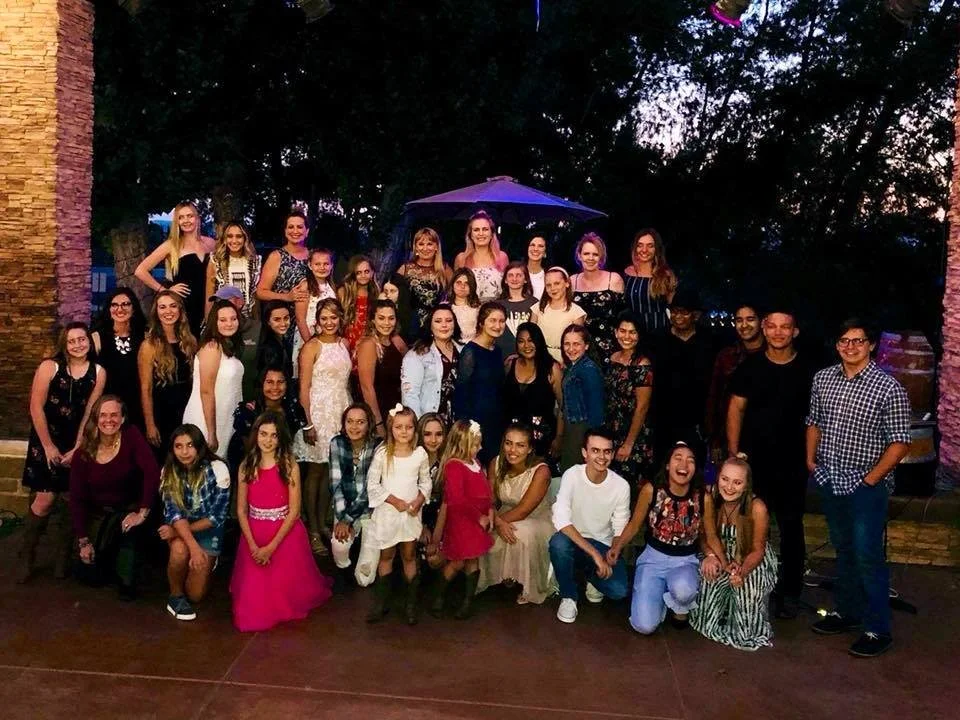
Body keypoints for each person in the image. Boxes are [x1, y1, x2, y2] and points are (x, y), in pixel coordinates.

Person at [807, 318, 911, 658]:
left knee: (868, 557)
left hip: (867, 486)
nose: (851, 347)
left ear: (870, 345)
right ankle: (847, 612)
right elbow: (814, 422)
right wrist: (812, 462)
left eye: (858, 340)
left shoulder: (888, 387)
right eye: (844, 341)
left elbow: (899, 443)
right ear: (837, 345)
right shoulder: (824, 379)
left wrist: (870, 478)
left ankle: (877, 628)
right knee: (844, 549)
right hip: (830, 478)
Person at [726, 307, 813, 619]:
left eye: (784, 327)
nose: (778, 332)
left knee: (791, 527)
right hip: (754, 461)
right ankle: (748, 584)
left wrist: (810, 458)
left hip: (792, 463)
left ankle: (790, 592)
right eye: (772, 327)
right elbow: (736, 409)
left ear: (795, 331)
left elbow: (816, 420)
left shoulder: (808, 369)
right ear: (764, 330)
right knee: (749, 525)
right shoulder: (751, 367)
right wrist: (735, 454)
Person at [19, 323, 106, 583]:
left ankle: (62, 558)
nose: (78, 344)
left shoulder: (98, 372)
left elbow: (91, 412)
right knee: (45, 500)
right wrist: (48, 446)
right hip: (47, 436)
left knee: (72, 499)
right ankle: (27, 554)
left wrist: (78, 447)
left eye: (82, 339)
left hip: (76, 439)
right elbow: (36, 407)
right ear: (64, 344)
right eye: (72, 341)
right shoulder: (50, 367)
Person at [230, 411, 333, 632]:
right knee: (250, 605)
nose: (267, 440)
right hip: (254, 534)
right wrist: (253, 546)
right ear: (255, 435)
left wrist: (271, 547)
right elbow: (241, 510)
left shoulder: (289, 465)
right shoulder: (246, 466)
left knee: (282, 595)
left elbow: (295, 511)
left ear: (280, 438)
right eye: (263, 434)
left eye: (273, 435)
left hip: (284, 534)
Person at [609, 441, 706, 634]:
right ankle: (658, 596)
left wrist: (714, 557)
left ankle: (680, 606)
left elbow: (708, 533)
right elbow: (635, 524)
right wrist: (617, 547)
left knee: (684, 590)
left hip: (685, 561)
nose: (684, 465)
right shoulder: (651, 490)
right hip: (654, 558)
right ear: (668, 465)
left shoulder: (702, 496)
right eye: (678, 458)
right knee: (644, 626)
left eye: (690, 460)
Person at [68, 396, 160, 599]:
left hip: (125, 511)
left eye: (114, 415)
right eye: (103, 415)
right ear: (96, 419)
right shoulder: (83, 454)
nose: (108, 420)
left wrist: (142, 512)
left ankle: (126, 576)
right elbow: (76, 498)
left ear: (123, 418)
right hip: (97, 515)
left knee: (127, 575)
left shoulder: (132, 436)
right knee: (91, 577)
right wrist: (83, 540)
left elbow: (152, 471)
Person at [690, 457, 778, 651]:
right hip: (718, 553)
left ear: (746, 485)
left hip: (749, 559)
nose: (729, 487)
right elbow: (704, 537)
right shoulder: (710, 497)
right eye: (724, 479)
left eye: (737, 482)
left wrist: (742, 572)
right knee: (708, 580)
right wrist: (710, 556)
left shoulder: (757, 507)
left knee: (746, 595)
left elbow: (758, 549)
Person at [549, 428, 630, 624]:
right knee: (558, 543)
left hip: (602, 544)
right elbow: (561, 519)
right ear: (585, 453)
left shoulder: (621, 486)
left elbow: (620, 527)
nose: (601, 457)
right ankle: (569, 595)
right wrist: (594, 554)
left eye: (607, 451)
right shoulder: (572, 475)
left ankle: (589, 574)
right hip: (572, 541)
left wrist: (614, 550)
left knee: (619, 591)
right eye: (595, 450)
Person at [293, 297, 353, 555]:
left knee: (333, 472)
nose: (329, 322)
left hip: (341, 410)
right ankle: (313, 530)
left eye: (333, 317)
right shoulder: (310, 347)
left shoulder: (344, 343)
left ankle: (326, 521)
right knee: (315, 473)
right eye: (324, 318)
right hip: (317, 412)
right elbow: (303, 388)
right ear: (317, 322)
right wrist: (308, 423)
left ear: (340, 319)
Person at [365, 405, 432, 625]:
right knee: (386, 555)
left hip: (411, 515)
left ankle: (410, 604)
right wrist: (394, 501)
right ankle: (381, 602)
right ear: (390, 428)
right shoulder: (383, 454)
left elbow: (425, 482)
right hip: (389, 513)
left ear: (415, 430)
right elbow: (373, 484)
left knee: (409, 554)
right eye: (398, 427)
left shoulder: (420, 454)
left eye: (409, 427)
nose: (404, 432)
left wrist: (419, 501)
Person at [158, 424, 231, 621]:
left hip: (207, 529)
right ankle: (175, 596)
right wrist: (192, 545)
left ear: (199, 446)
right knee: (180, 550)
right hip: (181, 527)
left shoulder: (218, 469)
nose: (184, 451)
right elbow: (174, 515)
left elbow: (217, 517)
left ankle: (207, 565)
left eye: (190, 445)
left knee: (196, 595)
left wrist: (176, 532)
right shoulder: (169, 471)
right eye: (178, 446)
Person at [478, 423, 554, 605]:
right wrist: (495, 520)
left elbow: (524, 509)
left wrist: (497, 522)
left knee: (521, 531)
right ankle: (502, 576)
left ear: (530, 449)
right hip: (504, 514)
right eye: (508, 443)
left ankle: (529, 586)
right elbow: (490, 500)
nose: (513, 450)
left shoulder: (541, 471)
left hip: (537, 518)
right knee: (481, 528)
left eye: (520, 445)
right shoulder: (496, 463)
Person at [429, 420, 494, 619]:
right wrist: (479, 516)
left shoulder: (475, 463)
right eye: (475, 444)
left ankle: (467, 601)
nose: (479, 448)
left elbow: (485, 491)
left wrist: (490, 509)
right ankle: (438, 594)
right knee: (457, 561)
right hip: (462, 522)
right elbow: (457, 500)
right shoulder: (454, 466)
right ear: (461, 444)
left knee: (473, 559)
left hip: (478, 522)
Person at [135, 201, 215, 338]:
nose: (186, 220)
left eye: (189, 216)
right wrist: (164, 290)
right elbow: (140, 270)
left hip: (209, 304)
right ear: (176, 221)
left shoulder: (211, 243)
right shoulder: (171, 245)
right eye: (181, 217)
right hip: (183, 306)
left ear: (197, 218)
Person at [652, 287, 714, 463]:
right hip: (663, 418)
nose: (677, 316)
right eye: (674, 311)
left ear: (695, 315)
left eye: (684, 312)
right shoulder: (658, 339)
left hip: (697, 421)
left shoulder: (708, 341)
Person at [138, 290, 197, 459]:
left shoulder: (190, 341)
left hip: (188, 410)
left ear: (180, 310)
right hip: (162, 413)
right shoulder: (149, 346)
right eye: (162, 307)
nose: (168, 311)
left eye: (173, 306)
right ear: (156, 311)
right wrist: (150, 424)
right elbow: (145, 388)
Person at [328, 402, 382, 588]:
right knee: (339, 545)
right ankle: (344, 567)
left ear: (369, 425)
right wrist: (343, 519)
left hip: (370, 511)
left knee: (365, 580)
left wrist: (349, 519)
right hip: (344, 508)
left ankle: (361, 550)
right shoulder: (337, 443)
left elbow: (371, 490)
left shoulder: (378, 448)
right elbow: (336, 484)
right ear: (344, 424)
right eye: (350, 421)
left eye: (360, 422)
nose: (354, 427)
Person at [181, 300, 243, 454]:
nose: (229, 323)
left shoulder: (227, 346)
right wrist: (211, 433)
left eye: (233, 318)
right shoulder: (211, 347)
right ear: (214, 322)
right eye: (223, 320)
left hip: (225, 416)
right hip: (206, 420)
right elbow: (206, 391)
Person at [705, 303, 765, 461]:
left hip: (764, 436)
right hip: (730, 437)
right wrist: (715, 440)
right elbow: (714, 399)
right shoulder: (726, 356)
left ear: (761, 322)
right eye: (739, 320)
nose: (744, 325)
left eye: (750, 319)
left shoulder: (772, 354)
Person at [605, 312, 655, 488]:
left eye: (632, 332)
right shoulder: (612, 358)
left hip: (633, 433)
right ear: (616, 332)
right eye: (623, 331)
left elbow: (642, 407)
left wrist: (629, 443)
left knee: (628, 485)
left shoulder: (642, 365)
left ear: (639, 335)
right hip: (612, 429)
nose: (627, 336)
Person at [453, 302, 507, 465]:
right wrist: (466, 428)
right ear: (482, 323)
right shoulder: (470, 352)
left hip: (495, 421)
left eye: (501, 321)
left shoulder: (496, 350)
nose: (497, 326)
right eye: (492, 320)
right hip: (476, 422)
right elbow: (461, 392)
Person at [502, 322, 563, 461]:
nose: (526, 346)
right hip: (513, 441)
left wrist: (559, 438)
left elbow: (562, 407)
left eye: (531, 341)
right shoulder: (510, 365)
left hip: (542, 441)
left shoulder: (551, 369)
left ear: (539, 342)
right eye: (521, 341)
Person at [229, 367, 307, 473]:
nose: (275, 387)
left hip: (282, 463)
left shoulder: (292, 410)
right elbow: (249, 450)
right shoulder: (248, 411)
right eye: (269, 382)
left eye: (280, 382)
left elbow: (288, 445)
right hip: (250, 464)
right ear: (261, 384)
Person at [92, 287, 147, 430]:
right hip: (107, 408)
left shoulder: (145, 337)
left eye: (125, 304)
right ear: (109, 309)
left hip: (137, 406)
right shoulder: (97, 338)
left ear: (133, 308)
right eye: (114, 305)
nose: (120, 309)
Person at [355, 299, 408, 438]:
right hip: (378, 410)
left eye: (391, 318)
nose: (386, 323)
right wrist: (378, 423)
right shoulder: (369, 344)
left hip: (397, 408)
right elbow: (367, 387)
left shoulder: (397, 342)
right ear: (373, 319)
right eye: (381, 318)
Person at [400, 304, 460, 423]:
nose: (444, 325)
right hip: (430, 422)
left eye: (449, 320)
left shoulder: (464, 351)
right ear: (430, 326)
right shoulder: (417, 355)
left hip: (459, 422)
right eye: (438, 321)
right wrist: (421, 425)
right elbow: (410, 395)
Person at [570, 232, 625, 362]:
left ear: (601, 257)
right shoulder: (572, 281)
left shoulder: (614, 280)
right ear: (579, 255)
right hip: (579, 350)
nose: (590, 258)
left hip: (611, 349)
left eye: (595, 254)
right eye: (586, 254)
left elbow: (623, 316)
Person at [559, 325, 605, 472]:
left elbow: (596, 409)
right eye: (567, 344)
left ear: (586, 346)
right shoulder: (573, 366)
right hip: (571, 428)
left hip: (582, 430)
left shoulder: (589, 369)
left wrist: (592, 443)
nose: (571, 349)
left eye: (576, 344)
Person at [397, 227, 454, 333]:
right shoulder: (405, 269)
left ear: (436, 247)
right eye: (421, 244)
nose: (425, 248)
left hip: (437, 327)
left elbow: (454, 298)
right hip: (408, 326)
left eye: (429, 244)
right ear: (416, 247)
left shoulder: (445, 269)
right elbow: (393, 299)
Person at [204, 220, 261, 324]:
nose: (234, 241)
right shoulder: (215, 261)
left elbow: (255, 295)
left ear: (245, 239)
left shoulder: (255, 261)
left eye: (239, 236)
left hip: (248, 319)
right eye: (230, 236)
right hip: (224, 319)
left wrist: (257, 322)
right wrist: (209, 322)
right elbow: (209, 296)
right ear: (225, 239)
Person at [622, 228, 677, 335]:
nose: (644, 250)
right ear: (635, 247)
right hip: (631, 334)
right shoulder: (626, 273)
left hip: (658, 332)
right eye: (640, 245)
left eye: (650, 246)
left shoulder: (666, 275)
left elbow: (674, 307)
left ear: (657, 249)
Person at [293, 247, 338, 376]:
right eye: (317, 264)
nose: (322, 267)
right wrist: (310, 345)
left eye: (326, 264)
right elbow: (300, 319)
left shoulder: (331, 286)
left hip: (327, 336)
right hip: (308, 336)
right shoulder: (305, 286)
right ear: (310, 265)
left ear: (331, 265)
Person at [255, 210, 310, 307]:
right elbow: (261, 292)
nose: (295, 231)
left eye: (300, 227)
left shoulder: (314, 257)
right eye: (291, 227)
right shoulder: (277, 256)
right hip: (283, 317)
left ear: (307, 232)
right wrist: (286, 297)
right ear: (285, 231)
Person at [531, 266, 586, 363]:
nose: (553, 288)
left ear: (567, 283)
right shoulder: (538, 308)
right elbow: (531, 335)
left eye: (557, 283)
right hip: (539, 357)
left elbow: (577, 343)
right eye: (548, 285)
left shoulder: (576, 312)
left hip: (565, 360)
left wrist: (566, 362)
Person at [453, 210, 509, 303]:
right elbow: (455, 290)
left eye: (485, 229)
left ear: (492, 234)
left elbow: (508, 289)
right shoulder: (461, 258)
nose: (481, 233)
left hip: (496, 312)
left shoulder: (502, 257)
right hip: (468, 312)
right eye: (476, 230)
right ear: (470, 235)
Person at [417, 412, 447, 569]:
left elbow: (446, 504)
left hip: (440, 520)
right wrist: (421, 526)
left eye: (439, 434)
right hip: (414, 518)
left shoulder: (447, 464)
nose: (433, 440)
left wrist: (436, 537)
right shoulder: (411, 461)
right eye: (427, 434)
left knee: (435, 559)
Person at [338, 254, 379, 352]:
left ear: (372, 272)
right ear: (353, 274)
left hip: (367, 339)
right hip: (346, 339)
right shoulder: (344, 292)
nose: (363, 276)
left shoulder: (376, 293)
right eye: (359, 273)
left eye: (366, 271)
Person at [497, 261, 538, 356]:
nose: (514, 279)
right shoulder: (497, 304)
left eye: (519, 275)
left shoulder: (534, 303)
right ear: (505, 280)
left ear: (526, 279)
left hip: (527, 354)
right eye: (510, 275)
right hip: (502, 354)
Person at [255, 300, 294, 381]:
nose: (283, 324)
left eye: (286, 318)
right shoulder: (269, 348)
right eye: (277, 319)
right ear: (268, 321)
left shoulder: (284, 341)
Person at [448, 267, 481, 342]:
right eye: (458, 283)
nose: (462, 287)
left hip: (473, 347)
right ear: (452, 285)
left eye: (467, 283)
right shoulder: (446, 307)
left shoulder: (479, 309)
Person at [526, 234, 548, 300]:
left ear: (545, 253)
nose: (535, 249)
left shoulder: (549, 275)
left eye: (540, 246)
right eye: (532, 245)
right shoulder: (517, 273)